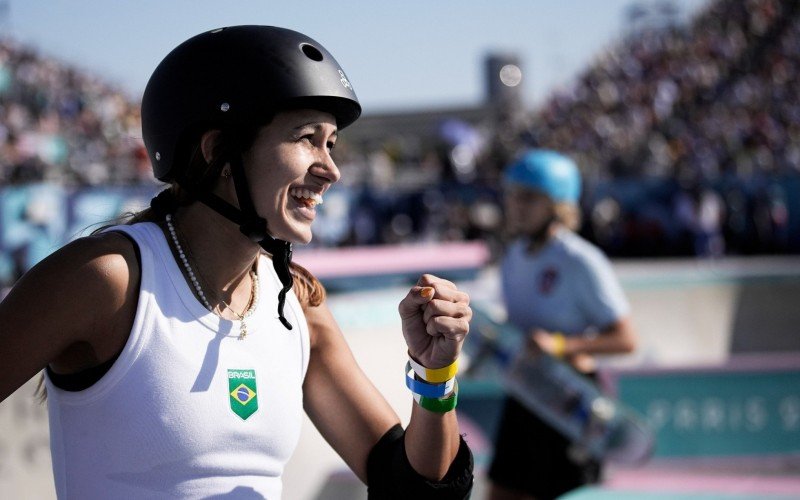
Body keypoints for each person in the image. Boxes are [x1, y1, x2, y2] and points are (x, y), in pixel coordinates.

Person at [0, 26, 474, 499]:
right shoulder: (109, 278)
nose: (332, 170)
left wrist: (435, 372)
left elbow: (416, 488)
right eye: (307, 138)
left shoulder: (296, 305)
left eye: (331, 144)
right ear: (219, 152)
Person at [486, 149, 637, 500]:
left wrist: (560, 346)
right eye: (513, 195)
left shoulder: (580, 259)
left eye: (530, 198)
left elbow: (626, 339)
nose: (517, 205)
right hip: (526, 392)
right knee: (500, 492)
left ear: (557, 204)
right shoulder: (513, 257)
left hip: (570, 400)